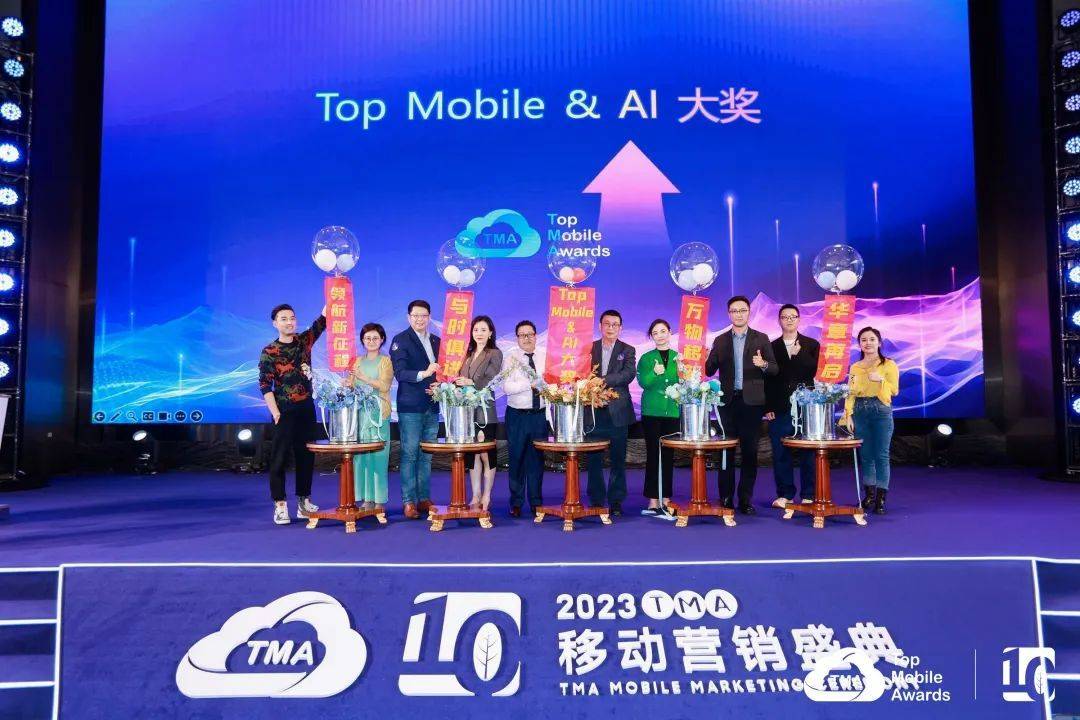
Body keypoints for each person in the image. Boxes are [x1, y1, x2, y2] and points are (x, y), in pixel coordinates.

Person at [704, 295, 778, 514]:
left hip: (752, 403)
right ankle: (726, 498)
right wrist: (707, 357)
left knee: (749, 452)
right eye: (734, 311)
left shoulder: (761, 338)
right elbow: (709, 370)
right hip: (727, 403)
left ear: (749, 312)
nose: (739, 314)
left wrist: (763, 364)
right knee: (725, 452)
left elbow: (774, 369)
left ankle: (745, 500)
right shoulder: (720, 340)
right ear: (729, 314)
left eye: (742, 310)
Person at [258, 303, 326, 525]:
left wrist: (336, 291)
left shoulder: (304, 341)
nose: (289, 322)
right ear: (275, 323)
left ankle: (304, 501)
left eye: (292, 318)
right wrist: (275, 412)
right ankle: (280, 505)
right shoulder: (269, 351)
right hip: (283, 410)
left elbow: (321, 322)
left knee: (306, 456)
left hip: (306, 408)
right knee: (279, 458)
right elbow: (265, 385)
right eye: (284, 319)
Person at [764, 304, 820, 508]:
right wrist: (767, 406)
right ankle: (785, 494)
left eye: (793, 316)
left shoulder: (811, 344)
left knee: (808, 452)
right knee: (780, 452)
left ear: (799, 319)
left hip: (806, 406)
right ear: (779, 320)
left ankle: (809, 494)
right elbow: (768, 379)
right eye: (785, 317)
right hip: (779, 407)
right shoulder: (771, 346)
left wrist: (798, 354)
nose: (789, 320)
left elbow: (813, 371)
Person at [390, 300, 441, 519]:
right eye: (415, 315)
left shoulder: (437, 341)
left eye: (424, 315)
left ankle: (424, 498)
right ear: (408, 317)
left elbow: (444, 370)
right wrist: (425, 373)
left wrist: (441, 382)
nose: (420, 319)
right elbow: (400, 373)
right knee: (410, 454)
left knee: (426, 455)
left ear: (429, 317)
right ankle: (409, 501)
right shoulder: (400, 340)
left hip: (433, 405)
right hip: (410, 407)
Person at [841, 326, 899, 515]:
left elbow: (895, 390)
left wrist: (881, 380)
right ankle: (869, 495)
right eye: (864, 340)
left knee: (881, 455)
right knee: (866, 455)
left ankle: (881, 498)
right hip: (860, 411)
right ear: (859, 344)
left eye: (872, 339)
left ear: (879, 343)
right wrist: (848, 415)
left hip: (880, 410)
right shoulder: (855, 367)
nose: (868, 343)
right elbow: (850, 393)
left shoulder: (888, 364)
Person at [586, 309, 636, 516]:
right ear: (600, 326)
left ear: (620, 328)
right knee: (593, 459)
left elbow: (628, 374)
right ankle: (596, 499)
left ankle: (616, 501)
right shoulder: (589, 348)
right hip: (593, 411)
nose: (611, 328)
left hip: (618, 411)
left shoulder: (628, 349)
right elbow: (581, 372)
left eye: (615, 324)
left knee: (618, 459)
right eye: (607, 324)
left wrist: (603, 380)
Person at [455, 315, 503, 512]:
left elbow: (491, 378)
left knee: (485, 453)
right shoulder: (468, 354)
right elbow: (460, 378)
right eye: (476, 330)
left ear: (490, 333)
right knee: (472, 453)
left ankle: (487, 494)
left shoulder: (495, 353)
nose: (479, 333)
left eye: (483, 330)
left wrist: (471, 383)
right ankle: (475, 494)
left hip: (484, 410)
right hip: (467, 411)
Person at [502, 320, 547, 517]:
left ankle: (536, 502)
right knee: (517, 458)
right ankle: (516, 502)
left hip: (539, 415)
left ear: (536, 336)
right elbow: (506, 388)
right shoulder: (510, 358)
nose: (527, 338)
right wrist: (529, 385)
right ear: (517, 338)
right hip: (517, 415)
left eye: (530, 334)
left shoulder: (545, 356)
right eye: (522, 335)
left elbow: (552, 383)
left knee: (537, 460)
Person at [636, 319, 679, 520]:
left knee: (668, 456)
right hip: (652, 412)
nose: (660, 335)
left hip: (672, 412)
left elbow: (685, 381)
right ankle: (653, 500)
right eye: (655, 332)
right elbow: (643, 382)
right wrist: (654, 373)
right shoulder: (646, 358)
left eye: (663, 331)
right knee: (654, 455)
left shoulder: (679, 357)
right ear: (651, 337)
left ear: (670, 332)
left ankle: (666, 498)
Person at [351, 323, 393, 511]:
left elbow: (384, 386)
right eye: (367, 338)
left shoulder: (386, 361)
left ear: (382, 340)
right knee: (362, 459)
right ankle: (366, 499)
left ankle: (379, 500)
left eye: (375, 338)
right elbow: (353, 385)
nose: (371, 341)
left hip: (379, 415)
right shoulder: (357, 362)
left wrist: (364, 378)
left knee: (379, 457)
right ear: (362, 340)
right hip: (361, 416)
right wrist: (347, 383)